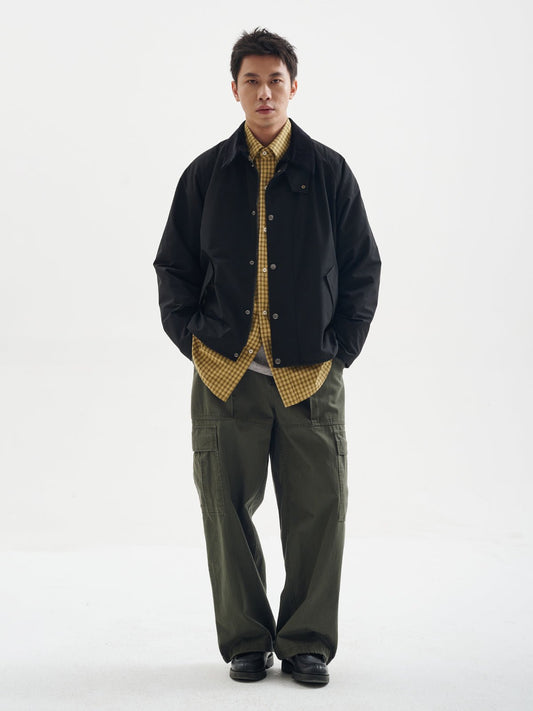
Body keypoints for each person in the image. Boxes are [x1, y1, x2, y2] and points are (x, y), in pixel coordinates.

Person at [153, 28, 381, 685]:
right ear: (234, 89)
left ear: (293, 87)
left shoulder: (329, 172)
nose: (263, 92)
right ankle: (246, 640)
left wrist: (339, 351)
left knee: (319, 510)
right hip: (225, 375)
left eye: (274, 80)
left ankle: (306, 640)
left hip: (309, 374)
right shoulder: (205, 175)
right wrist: (196, 343)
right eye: (250, 81)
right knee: (224, 512)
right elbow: (173, 268)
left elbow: (362, 268)